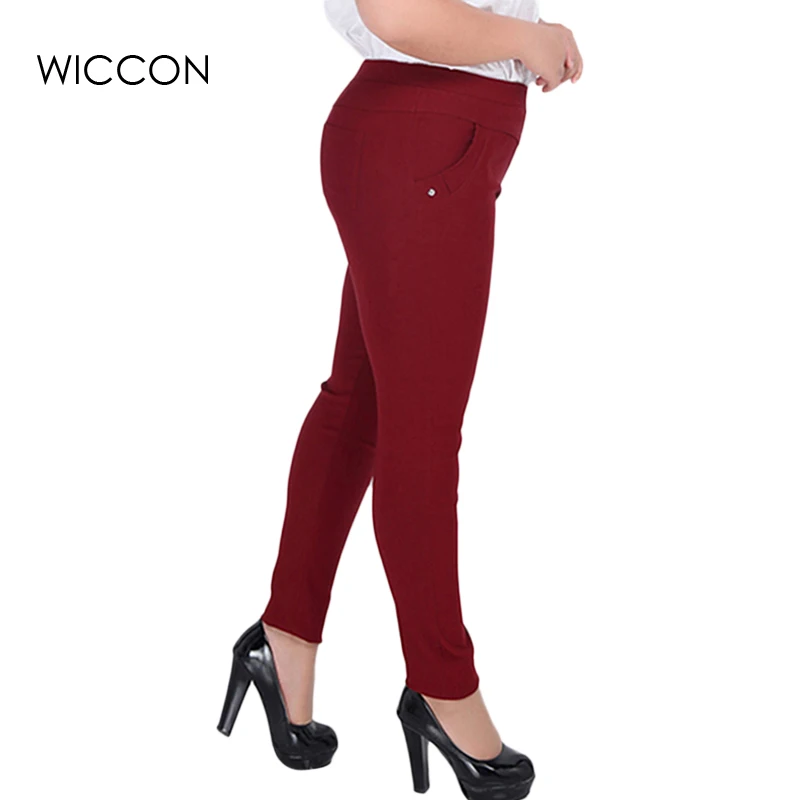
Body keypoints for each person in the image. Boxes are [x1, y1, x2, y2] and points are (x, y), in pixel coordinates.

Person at [217, 1, 582, 797]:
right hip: (426, 142)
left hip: (422, 140)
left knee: (361, 407)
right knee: (420, 439)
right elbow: (397, 10)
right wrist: (533, 39)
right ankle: (442, 688)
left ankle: (284, 639)